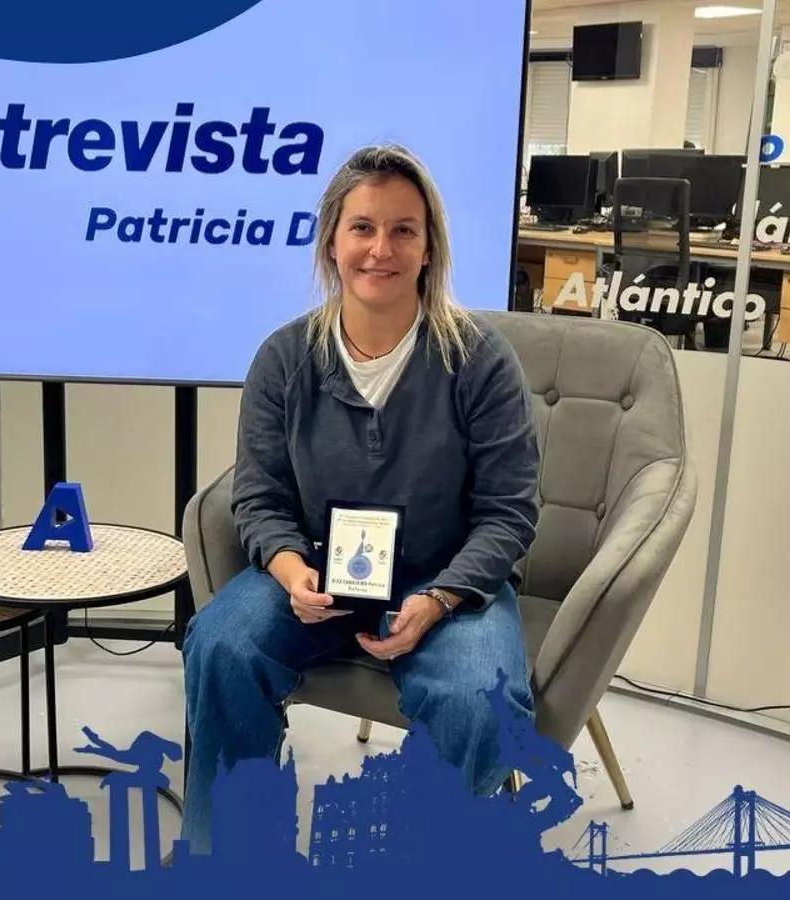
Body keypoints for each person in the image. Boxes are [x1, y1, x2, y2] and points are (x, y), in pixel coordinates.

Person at [179, 144, 542, 855]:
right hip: (315, 574)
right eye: (363, 228)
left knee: (478, 701)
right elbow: (258, 496)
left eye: (404, 230)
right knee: (221, 645)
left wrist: (439, 599)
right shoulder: (284, 358)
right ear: (331, 243)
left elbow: (509, 512)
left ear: (430, 247)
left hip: (448, 583)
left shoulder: (480, 360)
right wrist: (291, 573)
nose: (381, 249)